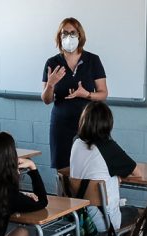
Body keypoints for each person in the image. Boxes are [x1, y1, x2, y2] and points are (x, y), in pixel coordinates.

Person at [41, 17, 108, 170]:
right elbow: (46, 99)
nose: (69, 37)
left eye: (73, 33)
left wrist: (86, 94)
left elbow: (103, 94)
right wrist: (50, 85)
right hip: (61, 124)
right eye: (64, 33)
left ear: (80, 35)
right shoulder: (52, 63)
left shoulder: (93, 60)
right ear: (59, 37)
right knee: (64, 170)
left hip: (88, 124)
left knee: (88, 168)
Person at [69, 100, 141, 233]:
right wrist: (117, 175)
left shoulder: (76, 142)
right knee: (136, 213)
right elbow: (137, 173)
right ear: (108, 124)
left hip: (79, 216)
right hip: (105, 220)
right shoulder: (108, 147)